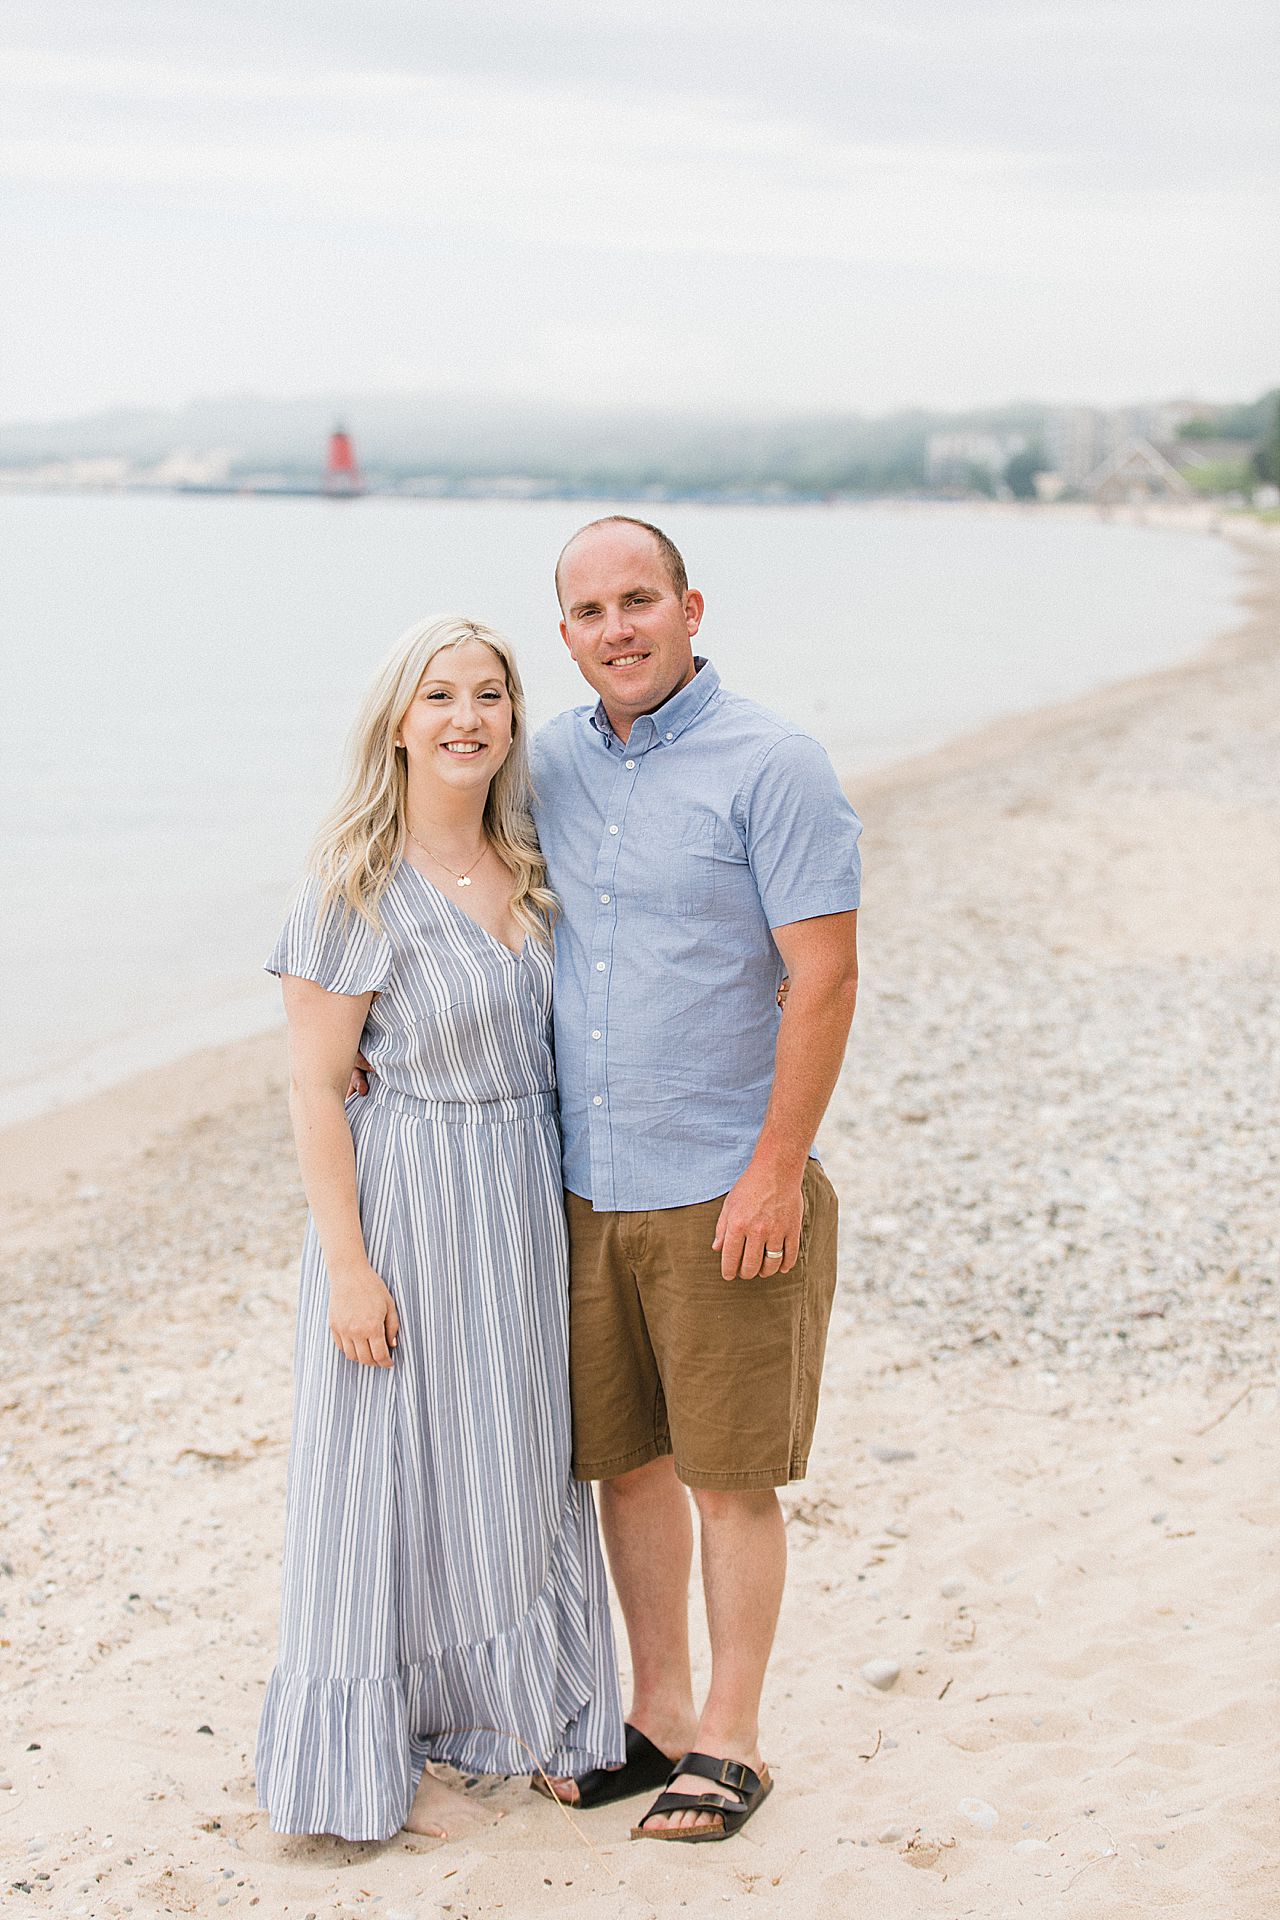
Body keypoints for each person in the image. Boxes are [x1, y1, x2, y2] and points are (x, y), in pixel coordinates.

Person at [255, 615, 623, 1844]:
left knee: (514, 1460)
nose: (465, 717)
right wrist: (348, 1270)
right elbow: (314, 1087)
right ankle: (360, 1761)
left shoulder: (530, 863)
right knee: (385, 1478)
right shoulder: (354, 881)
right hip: (408, 1202)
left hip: (521, 1204)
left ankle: (508, 1713)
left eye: (488, 694)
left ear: (513, 719)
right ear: (397, 723)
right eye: (438, 696)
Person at [528, 516, 861, 1841]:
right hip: (585, 1184)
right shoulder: (546, 757)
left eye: (640, 600)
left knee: (729, 1473)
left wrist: (775, 1170)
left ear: (691, 606)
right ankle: (657, 1713)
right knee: (628, 1465)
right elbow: (457, 878)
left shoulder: (773, 763)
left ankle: (732, 1739)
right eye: (591, 610)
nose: (619, 628)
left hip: (724, 1182)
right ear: (565, 635)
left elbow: (823, 977)